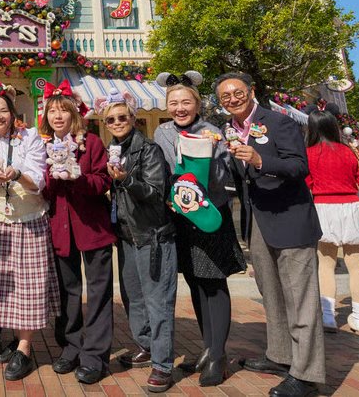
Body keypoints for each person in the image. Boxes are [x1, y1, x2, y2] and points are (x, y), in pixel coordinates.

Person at [216, 72, 323, 397]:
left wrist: (261, 159)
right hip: (257, 222)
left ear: (251, 92)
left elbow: (299, 167)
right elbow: (240, 177)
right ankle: (280, 356)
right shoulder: (228, 130)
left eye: (237, 92)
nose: (232, 99)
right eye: (225, 96)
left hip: (290, 219)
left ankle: (306, 376)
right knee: (272, 295)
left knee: (301, 298)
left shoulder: (279, 122)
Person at [152, 73, 245, 388]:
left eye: (186, 102)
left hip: (209, 215)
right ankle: (209, 348)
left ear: (197, 104)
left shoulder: (212, 132)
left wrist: (215, 156)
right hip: (179, 217)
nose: (180, 108)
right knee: (194, 281)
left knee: (214, 282)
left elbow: (222, 179)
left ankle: (218, 356)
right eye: (174, 103)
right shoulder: (161, 132)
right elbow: (161, 172)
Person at [0, 79, 57, 381]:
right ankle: (16, 338)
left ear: (12, 112)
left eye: (3, 111)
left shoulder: (32, 137)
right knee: (5, 286)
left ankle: (24, 348)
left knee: (31, 286)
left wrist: (18, 174)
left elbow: (38, 179)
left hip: (30, 219)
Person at [41, 82, 116, 386]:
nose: (58, 115)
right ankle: (71, 346)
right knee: (68, 292)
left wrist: (79, 177)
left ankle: (95, 355)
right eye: (52, 110)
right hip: (61, 229)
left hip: (92, 227)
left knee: (98, 292)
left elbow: (103, 182)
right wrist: (51, 178)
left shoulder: (92, 143)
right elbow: (42, 190)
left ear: (74, 114)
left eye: (63, 110)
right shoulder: (43, 145)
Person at [103, 90, 177, 393]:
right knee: (134, 297)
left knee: (157, 301)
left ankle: (163, 365)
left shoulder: (148, 149)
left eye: (123, 117)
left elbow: (156, 194)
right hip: (127, 236)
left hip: (153, 235)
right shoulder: (114, 149)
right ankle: (147, 347)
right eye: (111, 119)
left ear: (133, 119)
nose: (117, 122)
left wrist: (125, 180)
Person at [303, 110, 359, 333]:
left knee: (326, 264)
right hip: (351, 206)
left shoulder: (308, 153)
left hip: (323, 207)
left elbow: (306, 184)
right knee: (356, 266)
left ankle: (328, 315)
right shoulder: (351, 151)